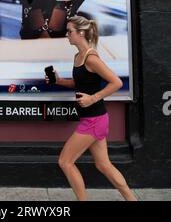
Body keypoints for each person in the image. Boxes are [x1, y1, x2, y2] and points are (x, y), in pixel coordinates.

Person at [45, 15, 137, 201]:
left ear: (80, 33)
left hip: (93, 121)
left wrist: (93, 98)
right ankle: (132, 199)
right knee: (103, 165)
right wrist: (58, 80)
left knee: (65, 161)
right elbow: (79, 84)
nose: (67, 34)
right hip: (95, 119)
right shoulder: (78, 56)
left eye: (69, 31)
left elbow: (116, 82)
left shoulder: (91, 58)